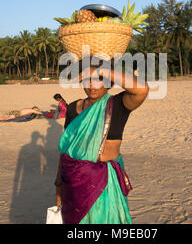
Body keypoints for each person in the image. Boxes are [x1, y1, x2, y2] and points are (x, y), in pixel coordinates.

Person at [55, 64, 149, 224]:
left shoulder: (118, 104)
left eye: (98, 80)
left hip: (104, 184)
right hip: (73, 181)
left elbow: (142, 89)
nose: (92, 85)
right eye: (87, 80)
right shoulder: (72, 108)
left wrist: (100, 70)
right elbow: (66, 149)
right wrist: (58, 184)